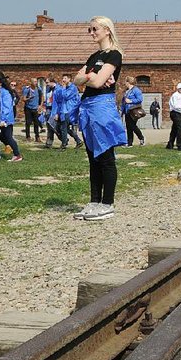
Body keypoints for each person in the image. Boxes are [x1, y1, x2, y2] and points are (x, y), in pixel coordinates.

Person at [72, 16, 128, 221]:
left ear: (107, 30)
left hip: (101, 106)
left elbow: (99, 83)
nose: (92, 33)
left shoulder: (114, 55)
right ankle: (94, 201)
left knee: (105, 156)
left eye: (95, 29)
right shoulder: (94, 56)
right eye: (90, 29)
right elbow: (76, 79)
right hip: (87, 107)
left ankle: (107, 203)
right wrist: (89, 76)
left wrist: (89, 77)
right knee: (92, 157)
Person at [54, 74, 83, 150]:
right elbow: (60, 100)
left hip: (69, 111)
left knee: (63, 128)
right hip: (63, 110)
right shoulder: (64, 88)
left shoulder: (73, 88)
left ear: (69, 79)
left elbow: (66, 96)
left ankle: (63, 145)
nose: (63, 80)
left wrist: (63, 88)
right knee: (64, 128)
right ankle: (78, 141)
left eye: (65, 78)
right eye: (63, 78)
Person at [121, 76, 145, 147]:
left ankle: (141, 138)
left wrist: (131, 101)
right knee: (128, 127)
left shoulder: (136, 90)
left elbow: (140, 99)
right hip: (127, 111)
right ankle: (129, 143)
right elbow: (124, 101)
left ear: (129, 82)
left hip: (133, 111)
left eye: (126, 82)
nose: (125, 83)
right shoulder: (127, 91)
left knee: (132, 126)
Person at [167, 82, 181, 150]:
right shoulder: (175, 95)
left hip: (179, 113)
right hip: (175, 113)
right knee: (179, 128)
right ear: (179, 89)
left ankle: (170, 144)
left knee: (175, 129)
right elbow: (175, 106)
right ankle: (179, 145)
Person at [22, 78, 42, 142]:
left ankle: (37, 136)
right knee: (28, 122)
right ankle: (28, 136)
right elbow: (24, 99)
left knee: (36, 123)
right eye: (34, 82)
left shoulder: (38, 89)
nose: (36, 83)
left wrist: (40, 106)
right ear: (31, 82)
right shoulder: (27, 90)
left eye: (36, 81)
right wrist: (29, 98)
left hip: (35, 108)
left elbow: (42, 97)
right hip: (28, 108)